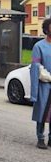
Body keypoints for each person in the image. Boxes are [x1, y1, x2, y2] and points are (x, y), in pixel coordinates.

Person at [30, 18, 51, 149]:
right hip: (45, 84)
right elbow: (35, 67)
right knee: (42, 112)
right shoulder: (39, 46)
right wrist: (34, 92)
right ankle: (40, 137)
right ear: (47, 29)